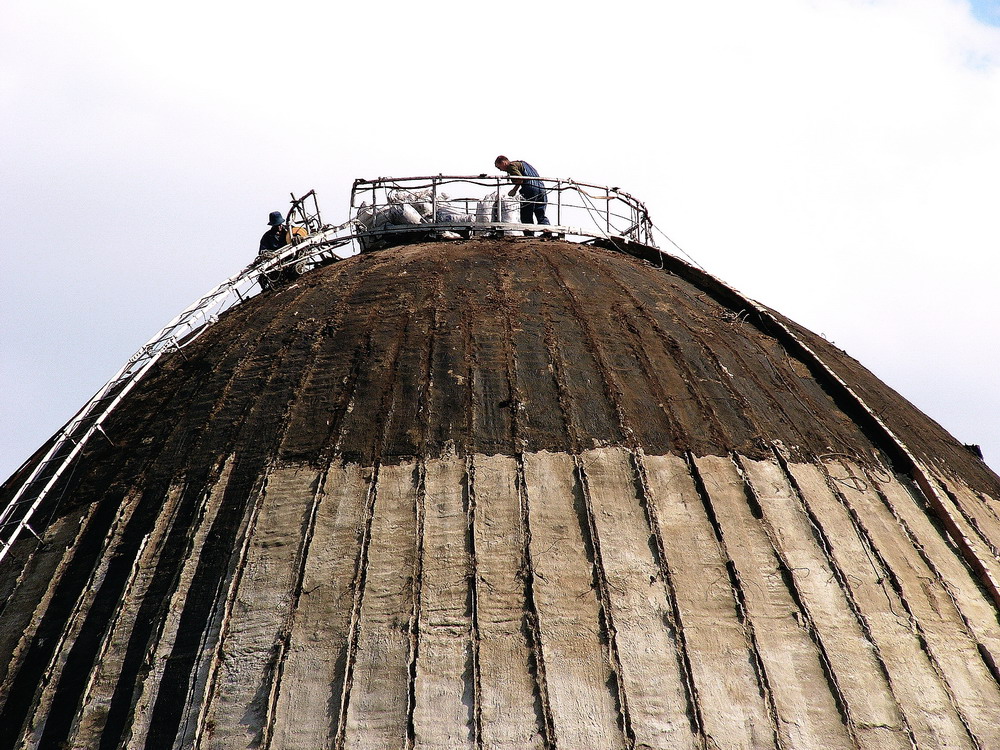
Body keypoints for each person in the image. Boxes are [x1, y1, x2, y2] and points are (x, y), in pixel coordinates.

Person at [494, 155, 551, 233]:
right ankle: (547, 232)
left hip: (530, 189)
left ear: (503, 162)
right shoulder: (524, 164)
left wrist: (514, 190)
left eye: (499, 167)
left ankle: (529, 234)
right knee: (540, 213)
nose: (500, 170)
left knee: (526, 214)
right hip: (541, 188)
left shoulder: (511, 166)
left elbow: (520, 179)